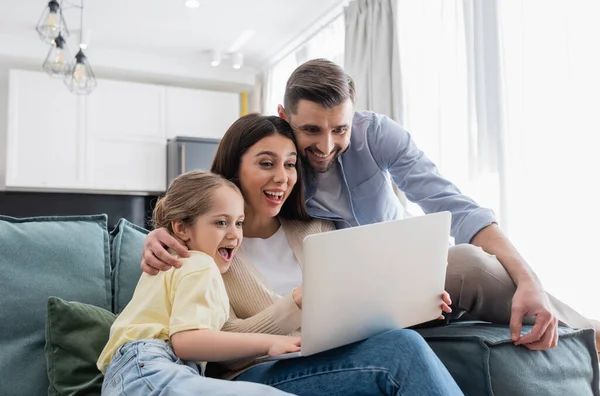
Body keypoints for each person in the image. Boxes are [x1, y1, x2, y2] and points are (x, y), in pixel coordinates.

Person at [142, 59, 599, 353]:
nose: (325, 146)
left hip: (397, 273)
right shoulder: (268, 156)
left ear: (353, 116)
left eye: (338, 129)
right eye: (311, 132)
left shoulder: (373, 135)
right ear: (285, 116)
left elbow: (456, 207)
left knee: (471, 262)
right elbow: (207, 196)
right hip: (347, 299)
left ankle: (584, 335)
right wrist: (163, 229)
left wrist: (529, 280)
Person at [144, 114, 467, 396]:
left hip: (332, 358)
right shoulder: (209, 248)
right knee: (402, 351)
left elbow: (353, 309)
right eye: (266, 163)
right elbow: (219, 345)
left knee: (403, 339)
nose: (282, 178)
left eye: (290, 164)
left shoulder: (317, 227)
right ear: (234, 170)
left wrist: (412, 302)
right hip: (253, 375)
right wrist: (294, 305)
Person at [97, 171, 304, 396]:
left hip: (128, 378)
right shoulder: (199, 264)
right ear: (182, 229)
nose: (234, 234)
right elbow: (187, 342)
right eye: (221, 222)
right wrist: (270, 342)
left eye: (239, 223)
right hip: (150, 364)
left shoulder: (171, 263)